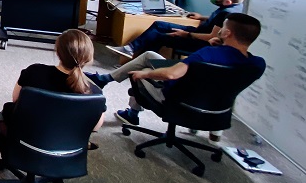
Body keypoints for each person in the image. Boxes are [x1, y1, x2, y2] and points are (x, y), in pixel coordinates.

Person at [90, 13, 266, 133]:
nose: (218, 30)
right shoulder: (257, 64)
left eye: (222, 28)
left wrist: (144, 75)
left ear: (227, 32)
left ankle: (132, 113)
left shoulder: (207, 54)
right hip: (214, 108)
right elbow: (222, 75)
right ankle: (105, 79)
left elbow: (171, 75)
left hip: (177, 99)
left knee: (142, 71)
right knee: (150, 56)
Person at [0, 29, 106, 135]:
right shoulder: (95, 94)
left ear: (57, 52)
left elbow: (16, 99)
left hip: (25, 142)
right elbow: (95, 127)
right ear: (89, 58)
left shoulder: (34, 72)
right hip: (66, 151)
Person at [108, 0, 245, 58]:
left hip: (198, 41)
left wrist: (186, 34)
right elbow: (216, 21)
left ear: (227, 1)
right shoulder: (231, 7)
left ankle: (143, 59)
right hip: (196, 32)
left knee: (158, 36)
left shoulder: (227, 13)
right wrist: (202, 17)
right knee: (158, 24)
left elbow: (212, 37)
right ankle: (131, 49)